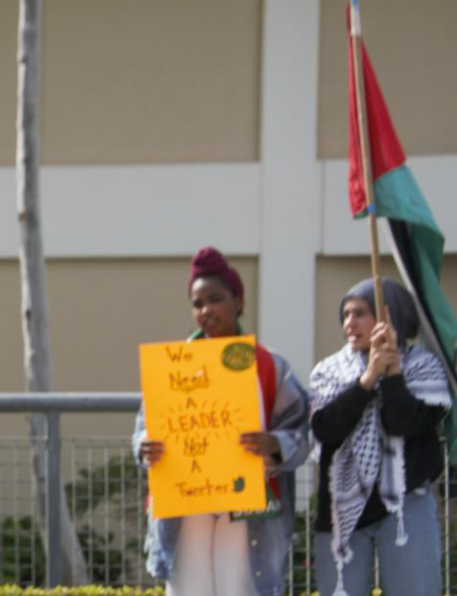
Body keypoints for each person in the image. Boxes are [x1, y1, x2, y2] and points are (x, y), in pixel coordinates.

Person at [133, 247, 311, 596]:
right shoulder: (172, 367)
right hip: (186, 504)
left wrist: (275, 444)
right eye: (198, 303)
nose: (207, 310)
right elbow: (143, 427)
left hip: (248, 505)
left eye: (216, 299)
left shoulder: (269, 364)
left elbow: (301, 429)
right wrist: (145, 449)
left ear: (239, 302)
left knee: (241, 589)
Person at [311, 277, 450, 596]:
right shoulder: (328, 371)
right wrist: (368, 378)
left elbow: (401, 422)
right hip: (341, 512)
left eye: (360, 313)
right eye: (345, 314)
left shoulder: (424, 367)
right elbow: (326, 428)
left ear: (391, 318)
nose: (350, 323)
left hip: (405, 508)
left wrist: (393, 373)